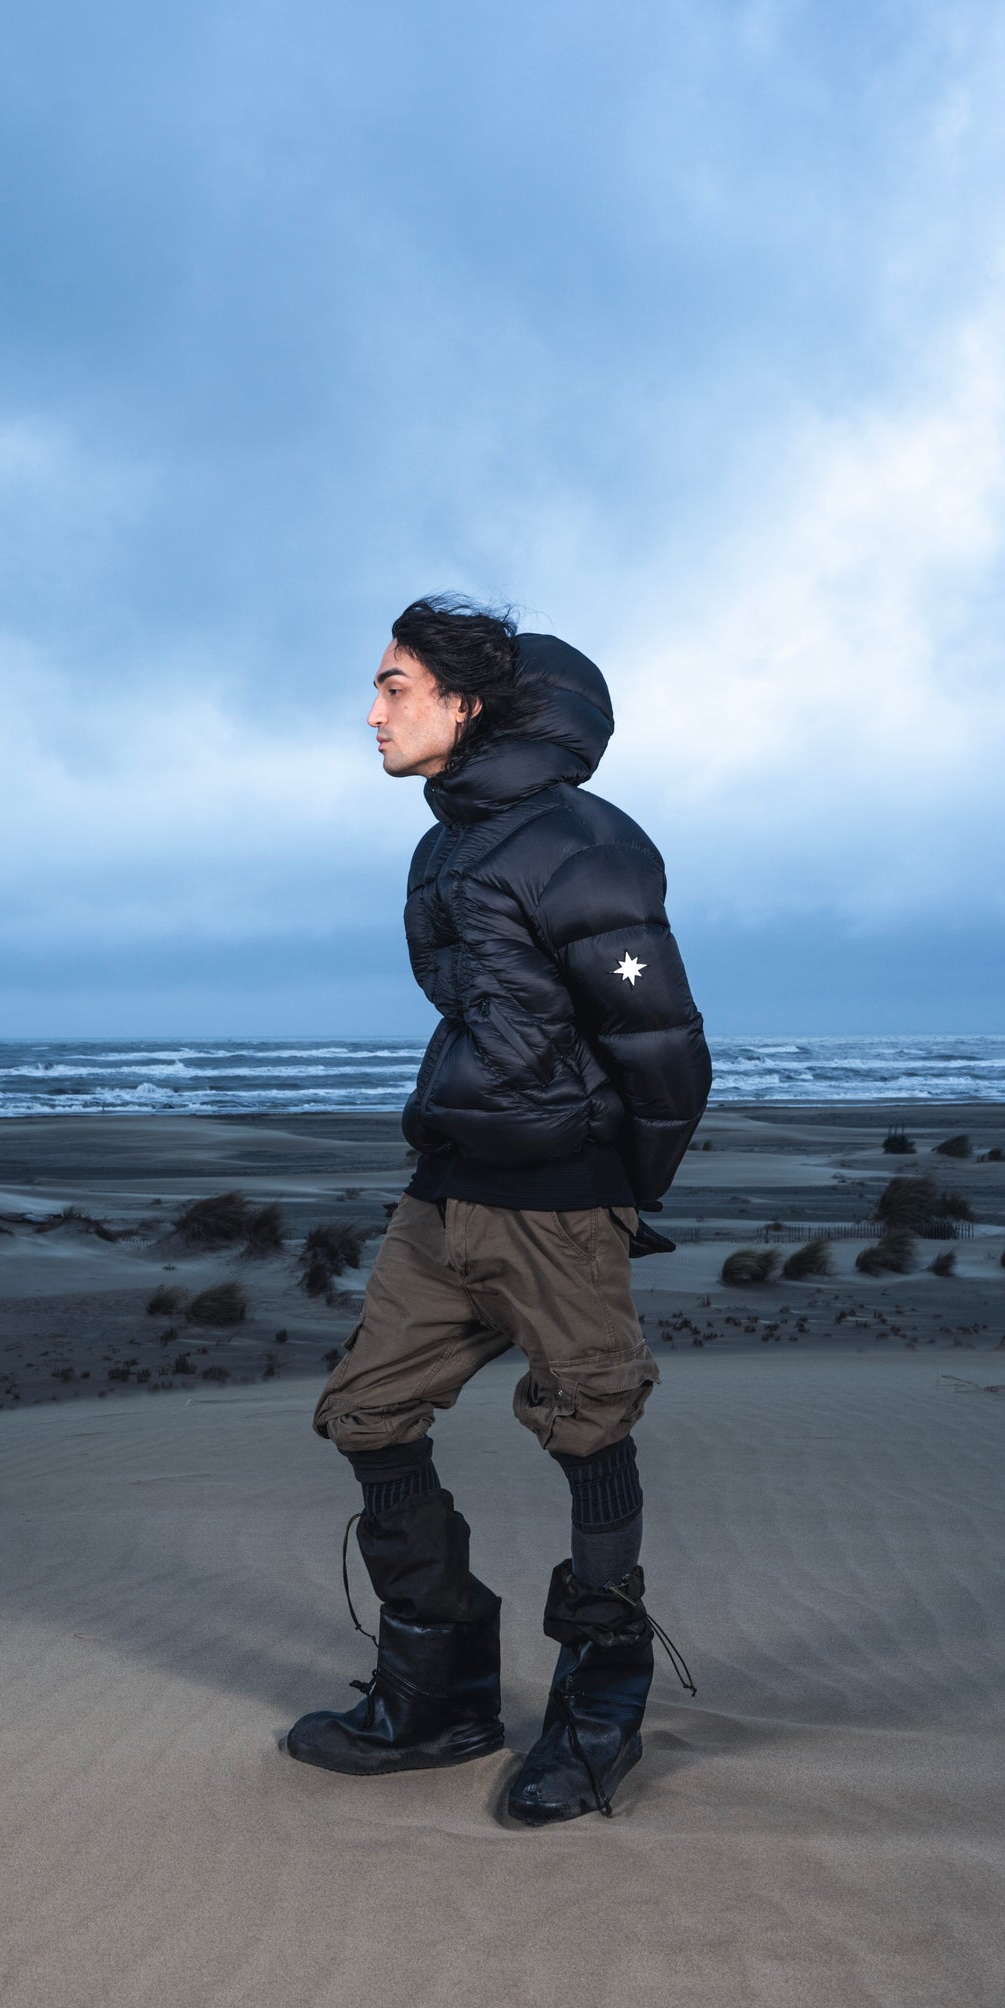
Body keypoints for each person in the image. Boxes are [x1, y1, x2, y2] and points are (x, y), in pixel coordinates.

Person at [285, 596, 712, 1822]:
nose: (372, 713)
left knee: (587, 1425)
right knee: (367, 1412)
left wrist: (617, 1194)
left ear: (465, 703)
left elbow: (664, 1045)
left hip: (556, 1201)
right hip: (445, 1188)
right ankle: (439, 1690)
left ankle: (596, 1709)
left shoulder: (581, 844)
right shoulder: (445, 846)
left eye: (395, 686)